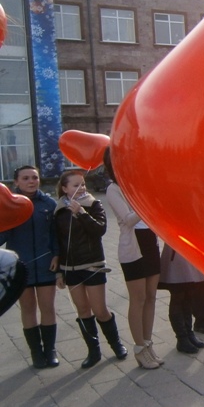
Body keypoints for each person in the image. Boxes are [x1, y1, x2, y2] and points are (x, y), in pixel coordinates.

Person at [54, 170, 127, 368]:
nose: (81, 188)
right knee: (83, 309)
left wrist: (81, 213)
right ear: (64, 188)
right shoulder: (58, 210)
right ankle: (93, 351)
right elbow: (57, 242)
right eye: (76, 185)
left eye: (83, 184)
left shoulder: (94, 204)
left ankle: (116, 344)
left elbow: (99, 230)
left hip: (92, 264)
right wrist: (59, 271)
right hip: (70, 267)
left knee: (100, 310)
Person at [104, 148, 162, 369]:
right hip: (132, 247)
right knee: (137, 299)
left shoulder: (138, 184)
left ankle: (148, 344)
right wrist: (148, 203)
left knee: (151, 297)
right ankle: (139, 348)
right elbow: (128, 220)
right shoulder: (113, 189)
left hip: (150, 243)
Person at [0, 166, 60, 368]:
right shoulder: (8, 205)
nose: (31, 181)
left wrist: (57, 254)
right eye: (25, 178)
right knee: (28, 308)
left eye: (34, 177)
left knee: (48, 307)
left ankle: (50, 350)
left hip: (45, 264)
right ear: (16, 182)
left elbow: (55, 234)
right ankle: (36, 351)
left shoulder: (48, 203)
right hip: (21, 267)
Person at [158, 243, 204, 354]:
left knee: (189, 293)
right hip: (176, 248)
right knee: (178, 294)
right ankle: (182, 338)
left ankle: (189, 334)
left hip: (189, 248)